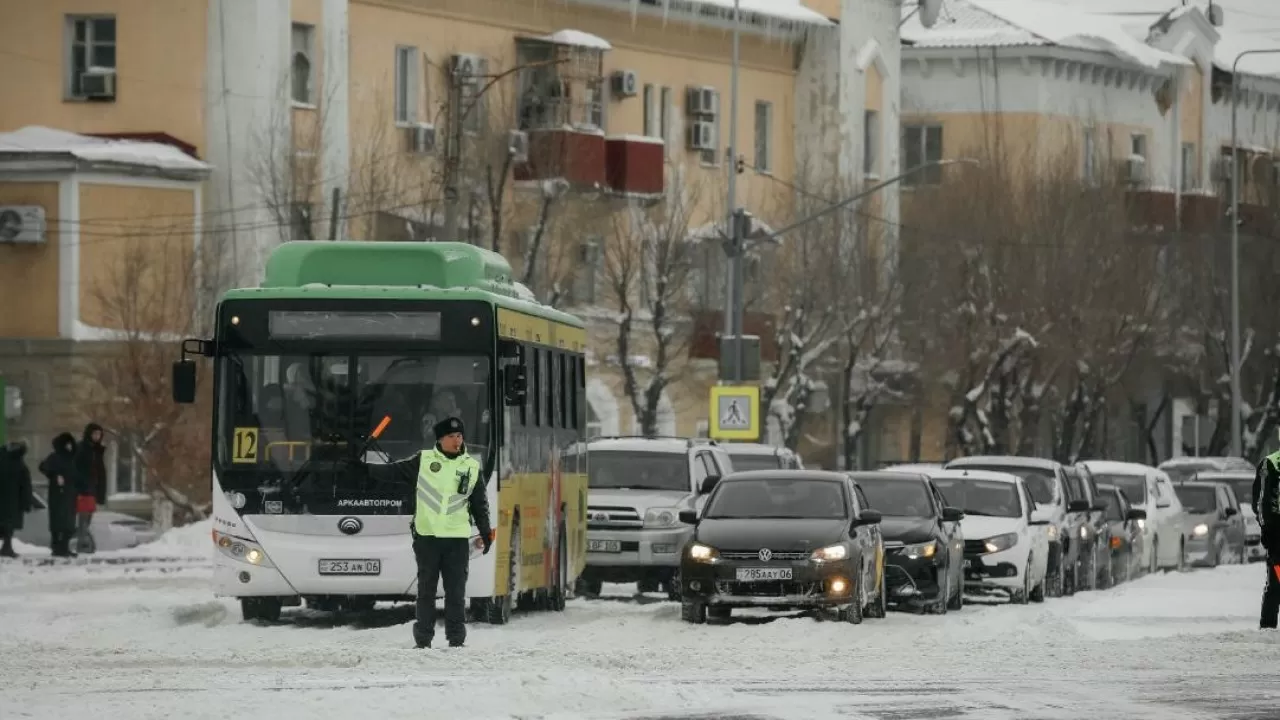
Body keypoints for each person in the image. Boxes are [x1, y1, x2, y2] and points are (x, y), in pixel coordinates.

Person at [395, 415, 492, 648]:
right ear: (440, 439)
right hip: (427, 538)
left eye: (459, 436)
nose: (457, 440)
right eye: (451, 437)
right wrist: (362, 468)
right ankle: (423, 639)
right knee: (426, 591)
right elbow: (392, 473)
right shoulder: (424, 460)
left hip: (457, 540)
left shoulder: (471, 466)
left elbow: (480, 504)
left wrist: (486, 532)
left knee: (456, 592)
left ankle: (456, 638)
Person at [1252, 434, 1280, 629]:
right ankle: (1267, 631)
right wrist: (1268, 531)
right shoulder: (1271, 464)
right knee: (1277, 586)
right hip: (1279, 538)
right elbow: (1261, 504)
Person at [38, 433, 79, 558]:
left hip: (69, 493)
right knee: (59, 522)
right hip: (59, 493)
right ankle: (58, 547)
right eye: (67, 444)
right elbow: (43, 467)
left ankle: (63, 547)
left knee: (67, 523)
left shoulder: (72, 458)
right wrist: (55, 476)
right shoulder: (55, 457)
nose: (69, 446)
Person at [74, 423, 107, 554]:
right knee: (83, 518)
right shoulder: (81, 448)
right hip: (82, 489)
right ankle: (82, 544)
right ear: (89, 434)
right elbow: (76, 468)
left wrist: (100, 492)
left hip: (92, 489)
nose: (97, 436)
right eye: (94, 434)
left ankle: (84, 543)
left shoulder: (98, 450)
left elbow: (101, 472)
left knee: (88, 519)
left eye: (99, 434)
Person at [0, 440, 34, 558]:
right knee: (9, 526)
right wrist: (27, 503)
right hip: (13, 501)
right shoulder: (20, 465)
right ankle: (6, 548)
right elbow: (25, 486)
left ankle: (6, 547)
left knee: (3, 524)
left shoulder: (2, 457)